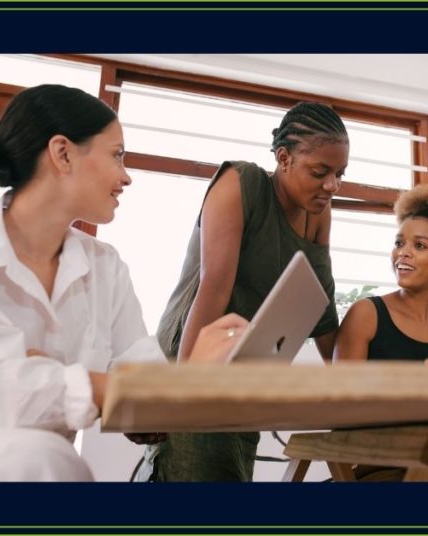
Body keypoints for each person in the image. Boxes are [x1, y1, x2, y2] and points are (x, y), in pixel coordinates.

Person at [0, 84, 248, 482]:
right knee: (36, 454)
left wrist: (190, 381)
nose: (126, 176)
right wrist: (113, 389)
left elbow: (145, 399)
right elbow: (7, 393)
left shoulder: (105, 268)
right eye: (117, 155)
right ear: (62, 154)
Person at [137, 102, 349, 482]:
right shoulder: (240, 182)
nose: (332, 185)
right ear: (283, 158)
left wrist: (356, 384)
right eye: (320, 172)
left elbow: (321, 307)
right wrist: (182, 391)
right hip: (195, 363)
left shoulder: (319, 211)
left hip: (246, 376)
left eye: (340, 174)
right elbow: (213, 287)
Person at [334, 185, 428, 481]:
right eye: (399, 242)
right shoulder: (366, 315)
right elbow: (341, 416)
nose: (403, 253)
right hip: (382, 473)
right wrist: (421, 397)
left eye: (419, 246)